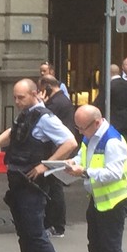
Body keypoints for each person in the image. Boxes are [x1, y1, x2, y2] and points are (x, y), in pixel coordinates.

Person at [0, 79, 78, 252]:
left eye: (21, 97)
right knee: (24, 234)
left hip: (33, 185)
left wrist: (45, 164)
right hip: (19, 183)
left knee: (36, 233)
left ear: (35, 94)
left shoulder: (45, 117)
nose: (17, 102)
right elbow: (13, 133)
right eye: (15, 97)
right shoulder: (26, 114)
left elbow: (70, 142)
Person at [64, 105, 127, 252]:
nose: (79, 132)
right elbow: (83, 156)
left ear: (96, 122)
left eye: (81, 128)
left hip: (115, 202)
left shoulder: (112, 141)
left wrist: (84, 171)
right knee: (96, 249)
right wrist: (73, 163)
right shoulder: (91, 136)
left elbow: (113, 173)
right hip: (98, 200)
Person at [39, 73, 76, 238]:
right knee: (53, 187)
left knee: (55, 188)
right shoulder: (60, 100)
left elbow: (43, 117)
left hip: (57, 150)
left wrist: (41, 103)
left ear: (47, 87)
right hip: (58, 148)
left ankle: (57, 225)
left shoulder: (56, 103)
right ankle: (54, 223)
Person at [93, 58, 127, 178]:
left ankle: (118, 169)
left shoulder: (109, 86)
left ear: (109, 74)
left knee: (115, 147)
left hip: (115, 121)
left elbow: (99, 103)